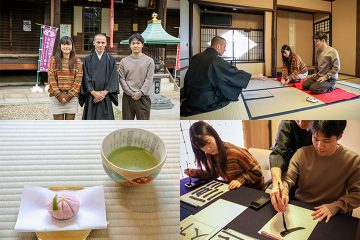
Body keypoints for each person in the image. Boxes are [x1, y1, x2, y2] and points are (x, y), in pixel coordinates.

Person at [271, 120, 360, 223]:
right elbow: (288, 179)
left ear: (339, 136)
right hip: (300, 207)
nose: (319, 146)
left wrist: (336, 206)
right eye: (315, 139)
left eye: (326, 141)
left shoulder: (353, 160)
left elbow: (358, 193)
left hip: (330, 213)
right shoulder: (301, 154)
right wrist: (284, 191)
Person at [180, 36, 266, 116]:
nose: (225, 50)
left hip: (191, 97)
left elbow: (187, 78)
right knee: (226, 89)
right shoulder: (215, 60)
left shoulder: (195, 57)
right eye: (224, 47)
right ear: (218, 46)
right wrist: (256, 76)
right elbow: (233, 73)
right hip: (205, 101)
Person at [184, 121, 265, 190]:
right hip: (235, 189)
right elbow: (213, 175)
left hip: (253, 190)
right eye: (202, 146)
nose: (208, 149)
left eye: (209, 142)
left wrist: (240, 180)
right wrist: (196, 173)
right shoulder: (211, 155)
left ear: (215, 136)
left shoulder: (233, 152)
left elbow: (257, 172)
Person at [79, 33, 119, 120]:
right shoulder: (87, 60)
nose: (100, 45)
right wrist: (93, 92)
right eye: (98, 42)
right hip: (91, 97)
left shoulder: (111, 60)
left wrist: (104, 93)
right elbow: (85, 78)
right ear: (93, 43)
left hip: (105, 96)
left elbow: (113, 78)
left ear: (106, 43)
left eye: (102, 42)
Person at [269, 120, 313, 199]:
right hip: (288, 174)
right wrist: (277, 184)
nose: (301, 121)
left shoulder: (321, 124)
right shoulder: (286, 123)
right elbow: (278, 153)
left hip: (309, 178)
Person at [118, 33, 155, 120]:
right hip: (128, 97)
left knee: (143, 124)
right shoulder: (124, 61)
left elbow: (148, 79)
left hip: (143, 97)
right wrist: (130, 92)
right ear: (130, 45)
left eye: (138, 43)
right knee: (127, 124)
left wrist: (140, 93)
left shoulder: (149, 61)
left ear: (142, 44)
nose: (135, 45)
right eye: (133, 43)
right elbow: (121, 79)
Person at [48, 36, 83, 120]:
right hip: (56, 97)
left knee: (69, 128)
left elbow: (78, 81)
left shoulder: (77, 61)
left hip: (72, 98)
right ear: (60, 46)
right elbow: (51, 79)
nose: (66, 46)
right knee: (58, 127)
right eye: (63, 44)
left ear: (72, 46)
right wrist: (59, 96)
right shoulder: (53, 60)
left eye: (68, 44)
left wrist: (68, 96)